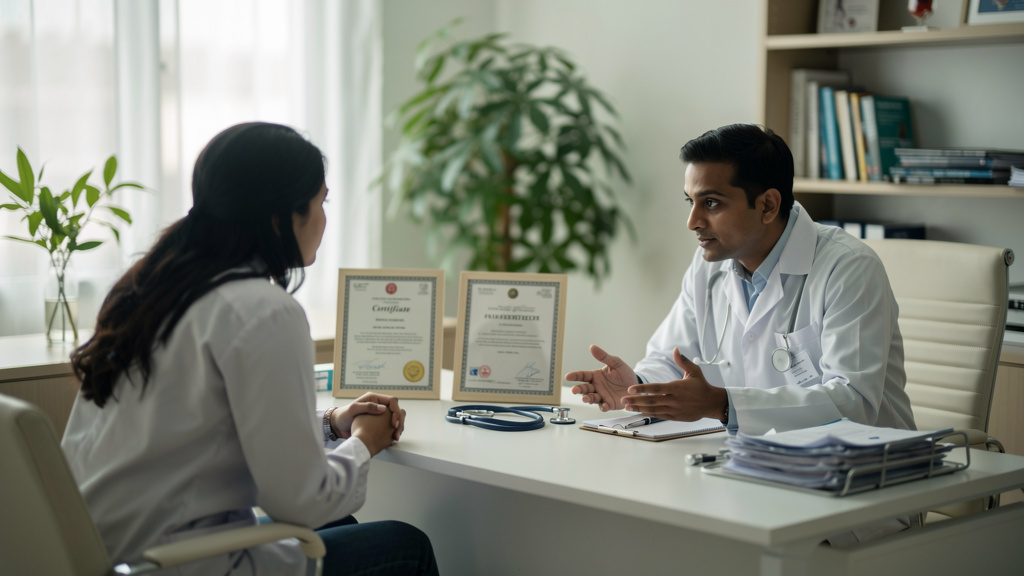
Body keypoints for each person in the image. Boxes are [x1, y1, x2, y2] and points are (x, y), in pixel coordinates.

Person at [62, 122, 439, 576]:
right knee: (405, 545)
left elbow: (208, 428)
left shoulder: (149, 290)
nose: (324, 217)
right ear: (281, 217)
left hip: (109, 551)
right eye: (321, 202)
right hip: (176, 564)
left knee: (341, 521)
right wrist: (364, 442)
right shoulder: (263, 311)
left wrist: (331, 425)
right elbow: (300, 503)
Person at [567, 123, 916, 437]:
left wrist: (723, 405)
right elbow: (672, 357)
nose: (692, 221)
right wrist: (638, 386)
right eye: (690, 201)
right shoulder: (709, 266)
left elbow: (854, 402)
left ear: (767, 205)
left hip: (864, 477)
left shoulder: (848, 267)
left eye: (712, 203)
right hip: (756, 463)